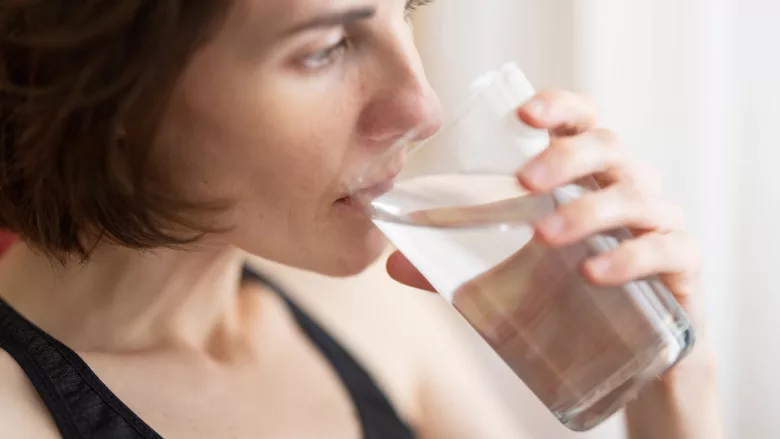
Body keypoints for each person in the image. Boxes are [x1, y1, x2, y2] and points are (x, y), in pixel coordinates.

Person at [0, 1, 724, 438]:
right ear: (109, 93)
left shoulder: (364, 307)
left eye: (404, 9)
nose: (424, 107)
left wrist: (671, 391)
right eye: (324, 48)